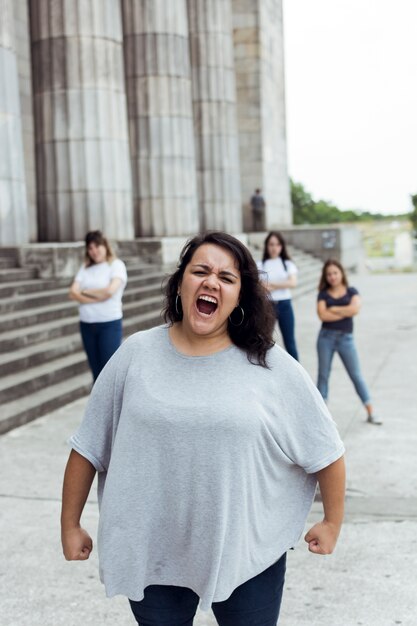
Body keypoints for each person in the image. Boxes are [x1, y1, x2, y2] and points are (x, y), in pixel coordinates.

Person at [61, 231, 346, 626]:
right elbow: (88, 445)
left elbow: (326, 447)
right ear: (180, 284)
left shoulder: (270, 365)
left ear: (239, 297)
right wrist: (70, 523)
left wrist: (332, 521)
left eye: (227, 278)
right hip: (153, 551)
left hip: (246, 550)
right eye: (201, 271)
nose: (212, 282)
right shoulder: (135, 355)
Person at [316, 258, 382, 425]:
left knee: (356, 375)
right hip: (326, 338)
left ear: (341, 273)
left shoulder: (352, 291)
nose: (332, 276)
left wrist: (335, 308)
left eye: (335, 273)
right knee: (323, 376)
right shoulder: (323, 294)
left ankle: (371, 411)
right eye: (329, 274)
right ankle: (320, 417)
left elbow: (355, 309)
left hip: (346, 339)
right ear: (326, 276)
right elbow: (323, 315)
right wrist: (346, 311)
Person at [69, 230, 127, 381]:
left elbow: (110, 291)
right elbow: (72, 293)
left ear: (105, 246)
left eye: (97, 246)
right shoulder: (85, 268)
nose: (94, 251)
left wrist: (85, 291)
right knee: (96, 373)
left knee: (109, 372)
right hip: (87, 325)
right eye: (90, 248)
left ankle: (114, 405)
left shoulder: (116, 265)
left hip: (108, 324)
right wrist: (96, 297)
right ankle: (99, 405)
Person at [257, 231, 299, 361]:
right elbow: (259, 286)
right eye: (271, 244)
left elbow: (292, 283)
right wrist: (281, 284)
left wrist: (271, 285)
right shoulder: (261, 265)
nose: (274, 248)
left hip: (285, 304)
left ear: (282, 246)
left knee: (290, 341)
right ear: (267, 246)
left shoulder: (287, 264)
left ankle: (297, 375)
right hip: (268, 306)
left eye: (277, 244)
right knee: (265, 340)